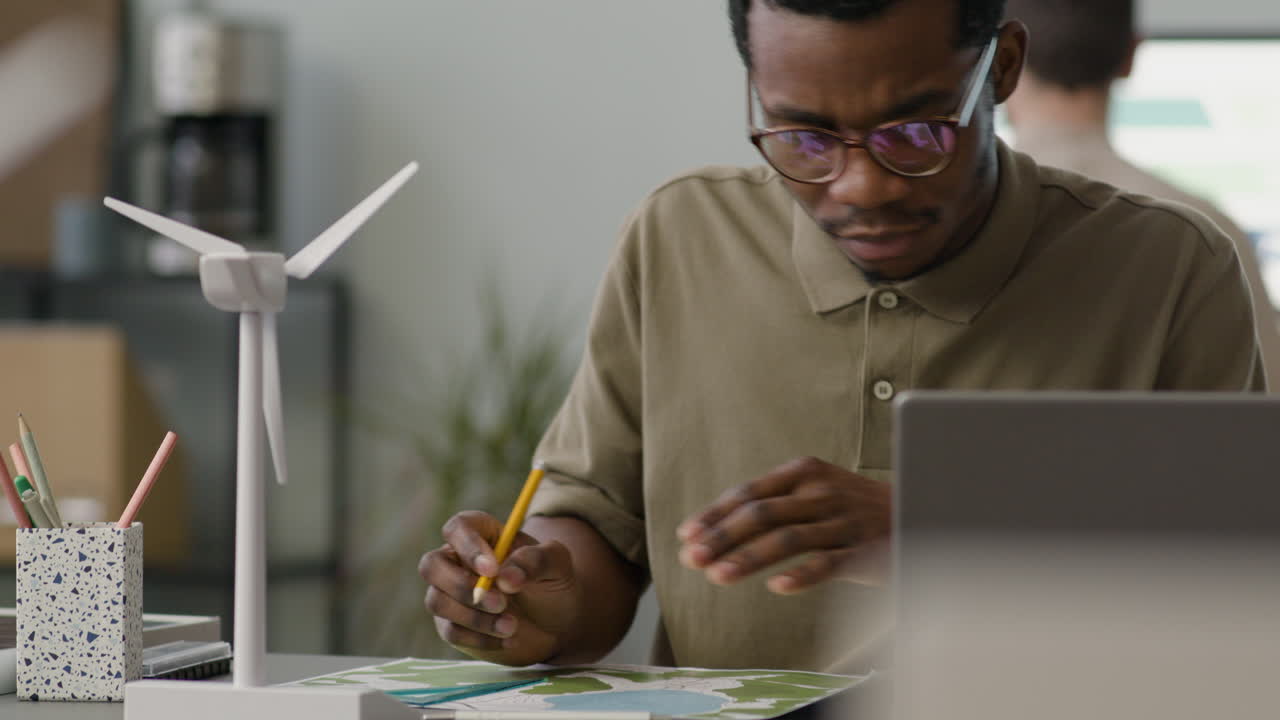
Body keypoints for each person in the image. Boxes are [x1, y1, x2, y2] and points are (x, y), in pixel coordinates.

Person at [419, 0, 1263, 674]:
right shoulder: (680, 236)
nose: (861, 188)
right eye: (805, 138)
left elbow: (1232, 596)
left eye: (916, 132)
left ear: (1001, 68)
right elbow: (597, 529)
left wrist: (941, 528)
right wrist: (537, 601)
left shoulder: (1171, 270)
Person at [1003, 0, 1280, 390]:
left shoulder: (948, 229)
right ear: (1131, 55)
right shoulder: (1212, 237)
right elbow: (1260, 423)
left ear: (1003, 60)